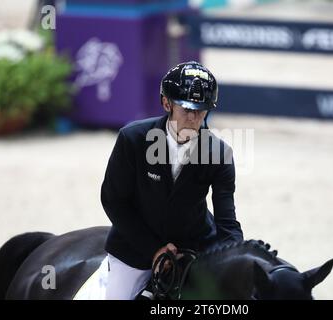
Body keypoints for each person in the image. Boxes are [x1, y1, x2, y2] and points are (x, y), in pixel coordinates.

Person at [101, 61, 244, 300]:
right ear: (166, 103)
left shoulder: (220, 154)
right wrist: (154, 250)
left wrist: (239, 257)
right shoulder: (133, 139)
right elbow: (113, 200)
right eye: (186, 109)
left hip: (194, 247)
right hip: (134, 247)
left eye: (201, 110)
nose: (193, 118)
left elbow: (226, 221)